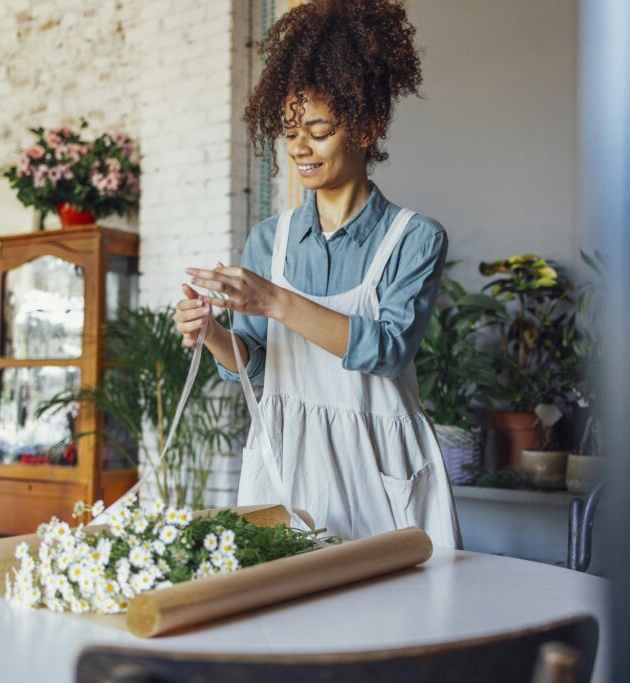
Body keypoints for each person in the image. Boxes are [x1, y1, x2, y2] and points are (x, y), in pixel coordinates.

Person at [173, 0, 461, 549]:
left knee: (398, 623)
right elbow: (255, 368)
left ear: (366, 126)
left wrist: (276, 301)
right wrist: (210, 334)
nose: (299, 147)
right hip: (286, 464)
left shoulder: (415, 237)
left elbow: (390, 350)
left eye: (319, 129)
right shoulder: (269, 240)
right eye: (288, 131)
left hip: (381, 467)